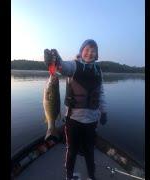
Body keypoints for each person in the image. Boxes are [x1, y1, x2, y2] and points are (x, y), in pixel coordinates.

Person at [44, 39, 107, 180]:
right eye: (87, 49)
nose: (89, 53)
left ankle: (91, 176)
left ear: (96, 54)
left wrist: (104, 111)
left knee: (90, 151)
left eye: (93, 51)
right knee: (71, 151)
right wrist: (56, 61)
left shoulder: (98, 70)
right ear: (81, 51)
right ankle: (69, 176)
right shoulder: (73, 66)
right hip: (73, 120)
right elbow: (63, 67)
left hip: (92, 120)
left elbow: (101, 92)